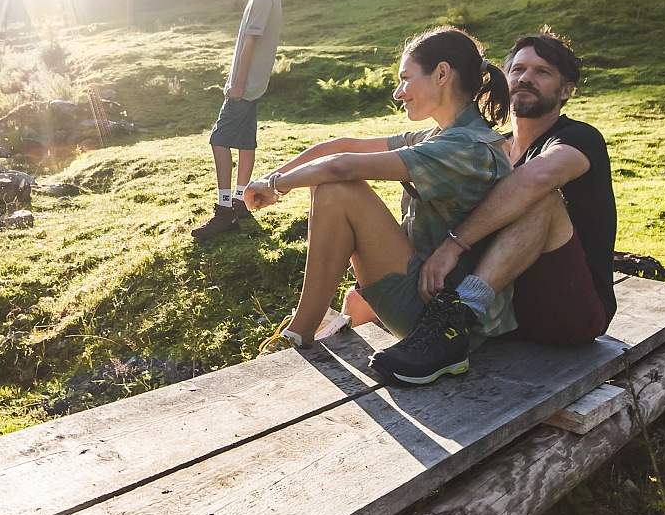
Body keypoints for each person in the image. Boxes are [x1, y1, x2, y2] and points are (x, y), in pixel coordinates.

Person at [240, 26, 515, 381]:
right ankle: (300, 330)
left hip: (442, 320)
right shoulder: (444, 135)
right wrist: (270, 179)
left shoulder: (465, 148)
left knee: (338, 190)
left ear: (442, 74)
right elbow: (342, 147)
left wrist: (277, 185)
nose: (399, 93)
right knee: (335, 186)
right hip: (428, 293)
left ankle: (299, 332)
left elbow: (343, 165)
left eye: (405, 79)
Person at [371, 29, 614, 374]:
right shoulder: (493, 145)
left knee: (541, 198)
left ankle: (456, 317)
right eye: (518, 70)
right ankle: (452, 320)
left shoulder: (578, 138)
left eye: (542, 72)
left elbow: (538, 178)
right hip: (506, 316)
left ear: (566, 89)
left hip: (570, 311)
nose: (526, 78)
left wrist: (452, 247)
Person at [192, 0, 283, 240]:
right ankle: (241, 202)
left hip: (245, 88)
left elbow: (250, 44)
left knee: (219, 140)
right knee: (245, 142)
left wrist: (238, 84)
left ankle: (224, 211)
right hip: (253, 86)